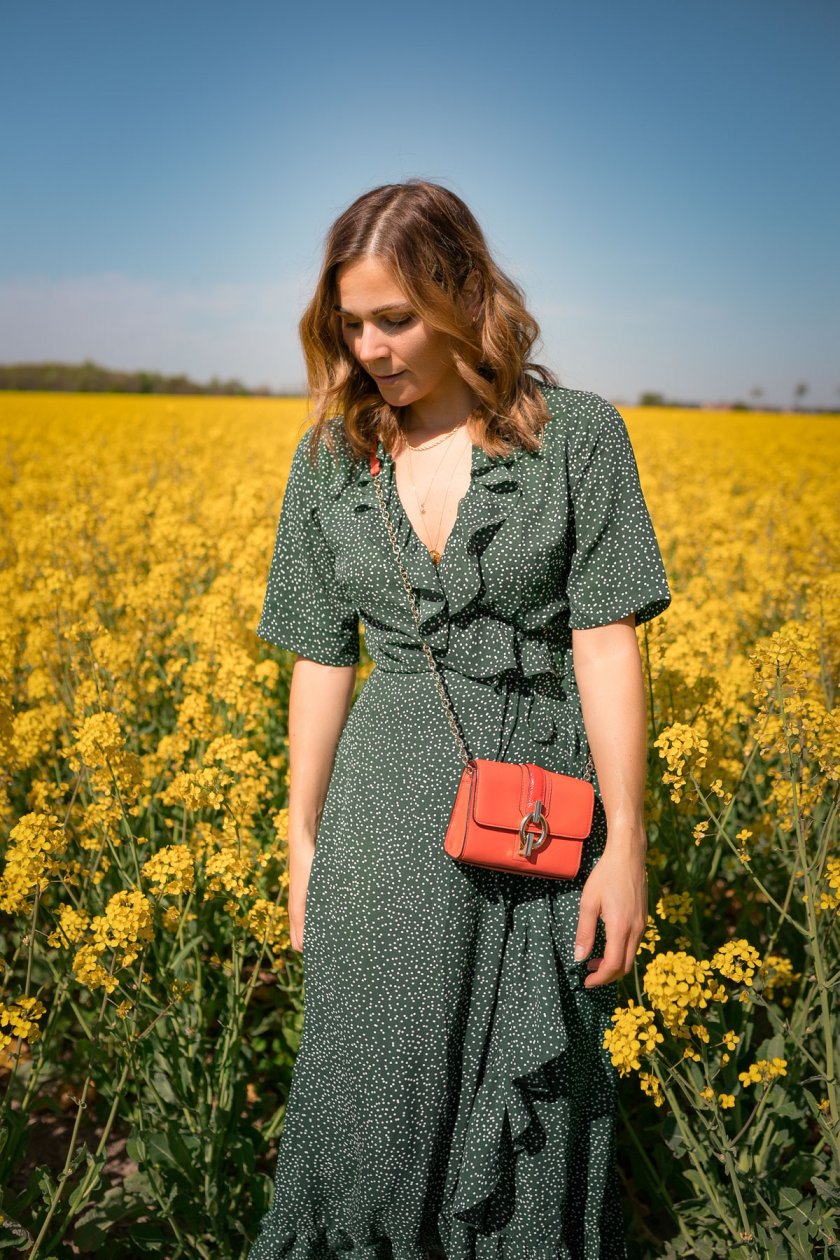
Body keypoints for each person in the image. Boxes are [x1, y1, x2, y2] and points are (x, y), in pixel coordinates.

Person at [249, 179, 672, 1260]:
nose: (372, 346)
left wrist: (626, 843)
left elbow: (606, 640)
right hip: (384, 813)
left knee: (537, 1098)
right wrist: (302, 841)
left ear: (463, 294)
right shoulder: (330, 459)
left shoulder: (579, 437)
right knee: (367, 1101)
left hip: (543, 805)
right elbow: (317, 654)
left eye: (396, 317)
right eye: (351, 322)